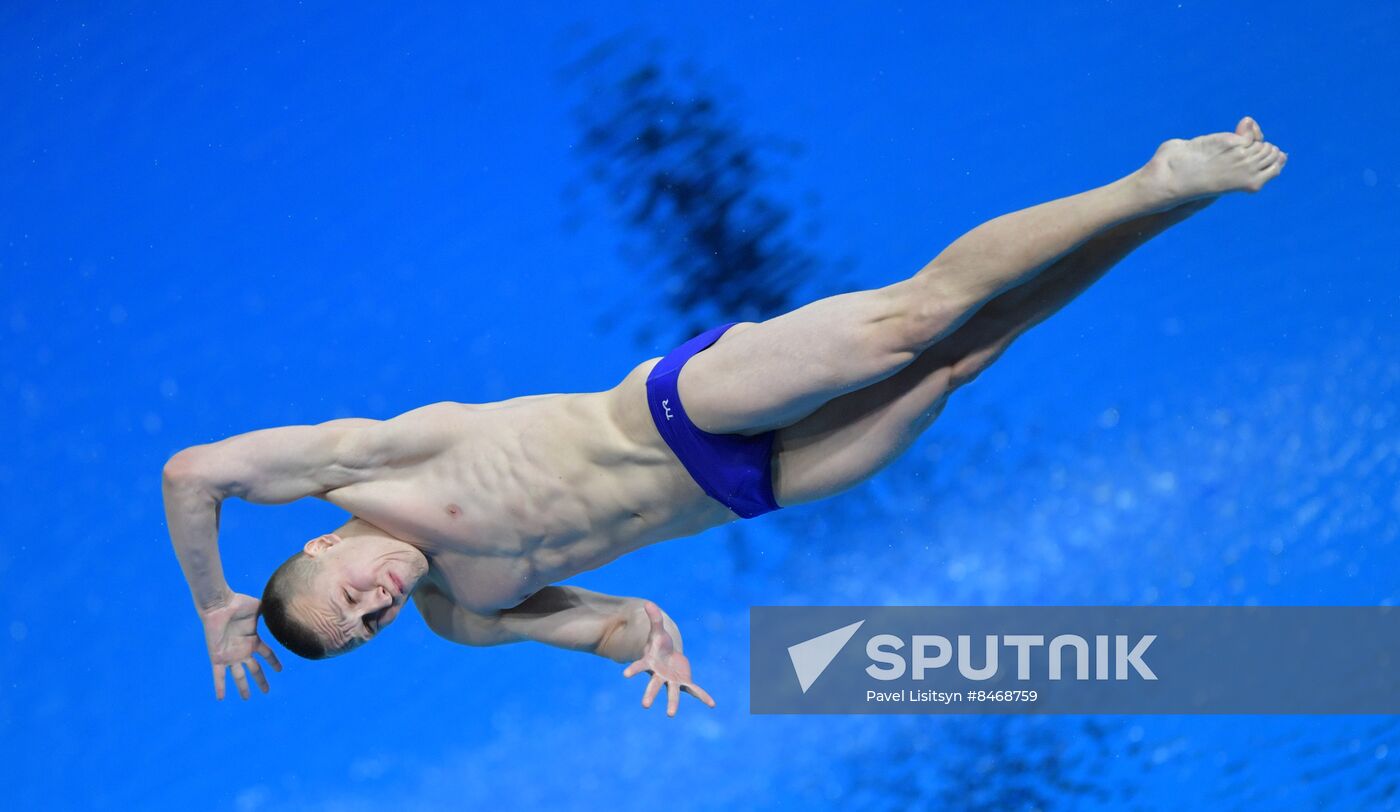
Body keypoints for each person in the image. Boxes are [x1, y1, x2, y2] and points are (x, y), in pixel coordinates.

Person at [162, 117, 1286, 716]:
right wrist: (638, 637)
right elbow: (602, 620)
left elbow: (192, 470)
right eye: (366, 629)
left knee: (908, 320)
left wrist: (217, 599)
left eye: (344, 597)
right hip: (747, 488)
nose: (374, 606)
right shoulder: (463, 612)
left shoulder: (361, 469)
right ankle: (1168, 213)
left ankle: (1153, 175)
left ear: (314, 547)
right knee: (962, 360)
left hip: (670, 414)